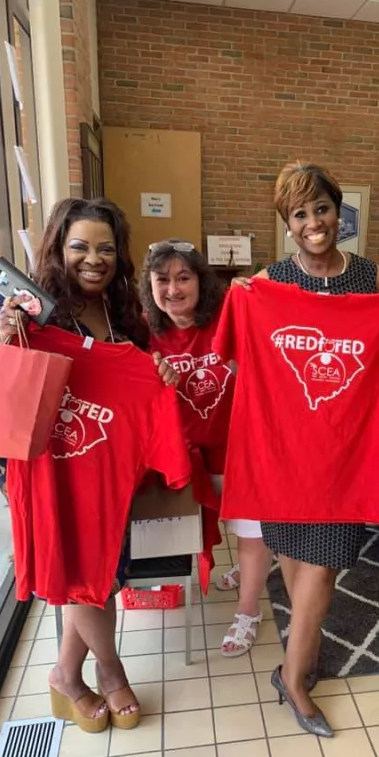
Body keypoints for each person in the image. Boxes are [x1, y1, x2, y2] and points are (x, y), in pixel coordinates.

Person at [231, 161, 379, 737]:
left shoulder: (370, 277)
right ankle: (304, 659)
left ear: (339, 213)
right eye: (300, 214)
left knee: (323, 563)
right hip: (284, 448)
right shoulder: (268, 283)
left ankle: (292, 678)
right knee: (295, 555)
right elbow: (249, 365)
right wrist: (244, 302)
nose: (313, 222)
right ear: (286, 223)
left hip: (345, 449)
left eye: (322, 209)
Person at [0, 197, 177, 732]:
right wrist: (4, 334)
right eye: (80, 246)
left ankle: (66, 675)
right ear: (57, 247)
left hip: (101, 463)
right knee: (78, 568)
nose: (94, 258)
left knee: (98, 569)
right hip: (43, 458)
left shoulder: (122, 311)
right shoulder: (29, 308)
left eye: (106, 248)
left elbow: (139, 369)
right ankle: (110, 672)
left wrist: (156, 374)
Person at [139, 240, 273, 656]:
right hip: (183, 457)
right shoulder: (142, 331)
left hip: (241, 449)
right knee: (196, 530)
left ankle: (249, 611)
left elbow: (271, 290)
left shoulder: (228, 318)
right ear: (150, 285)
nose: (173, 290)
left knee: (251, 534)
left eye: (184, 278)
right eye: (163, 280)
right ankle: (239, 572)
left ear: (201, 282)